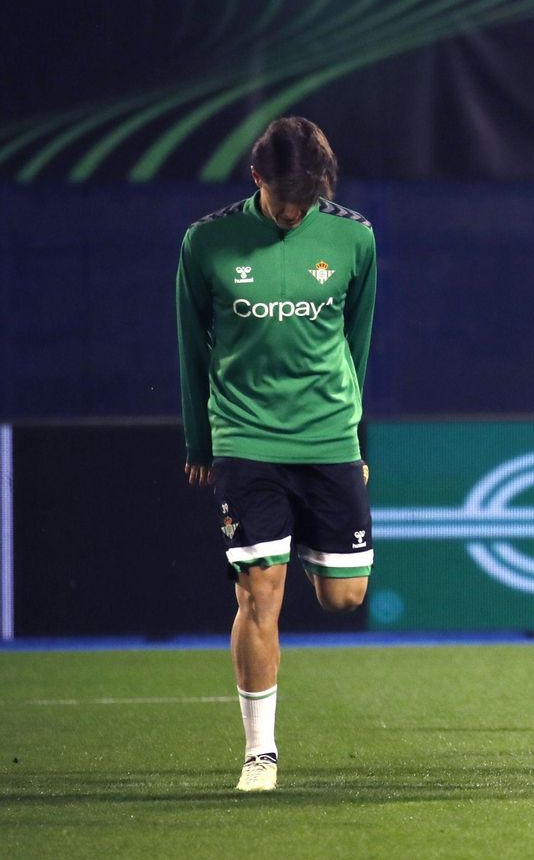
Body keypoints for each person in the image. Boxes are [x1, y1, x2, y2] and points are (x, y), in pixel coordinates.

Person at [177, 117, 378, 792]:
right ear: (257, 178)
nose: (298, 212)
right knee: (260, 592)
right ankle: (259, 754)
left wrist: (356, 437)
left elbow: (358, 341)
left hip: (327, 438)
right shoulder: (206, 243)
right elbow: (191, 345)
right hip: (246, 437)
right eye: (288, 197)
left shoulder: (353, 236)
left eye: (310, 198)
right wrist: (199, 439)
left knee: (345, 598)